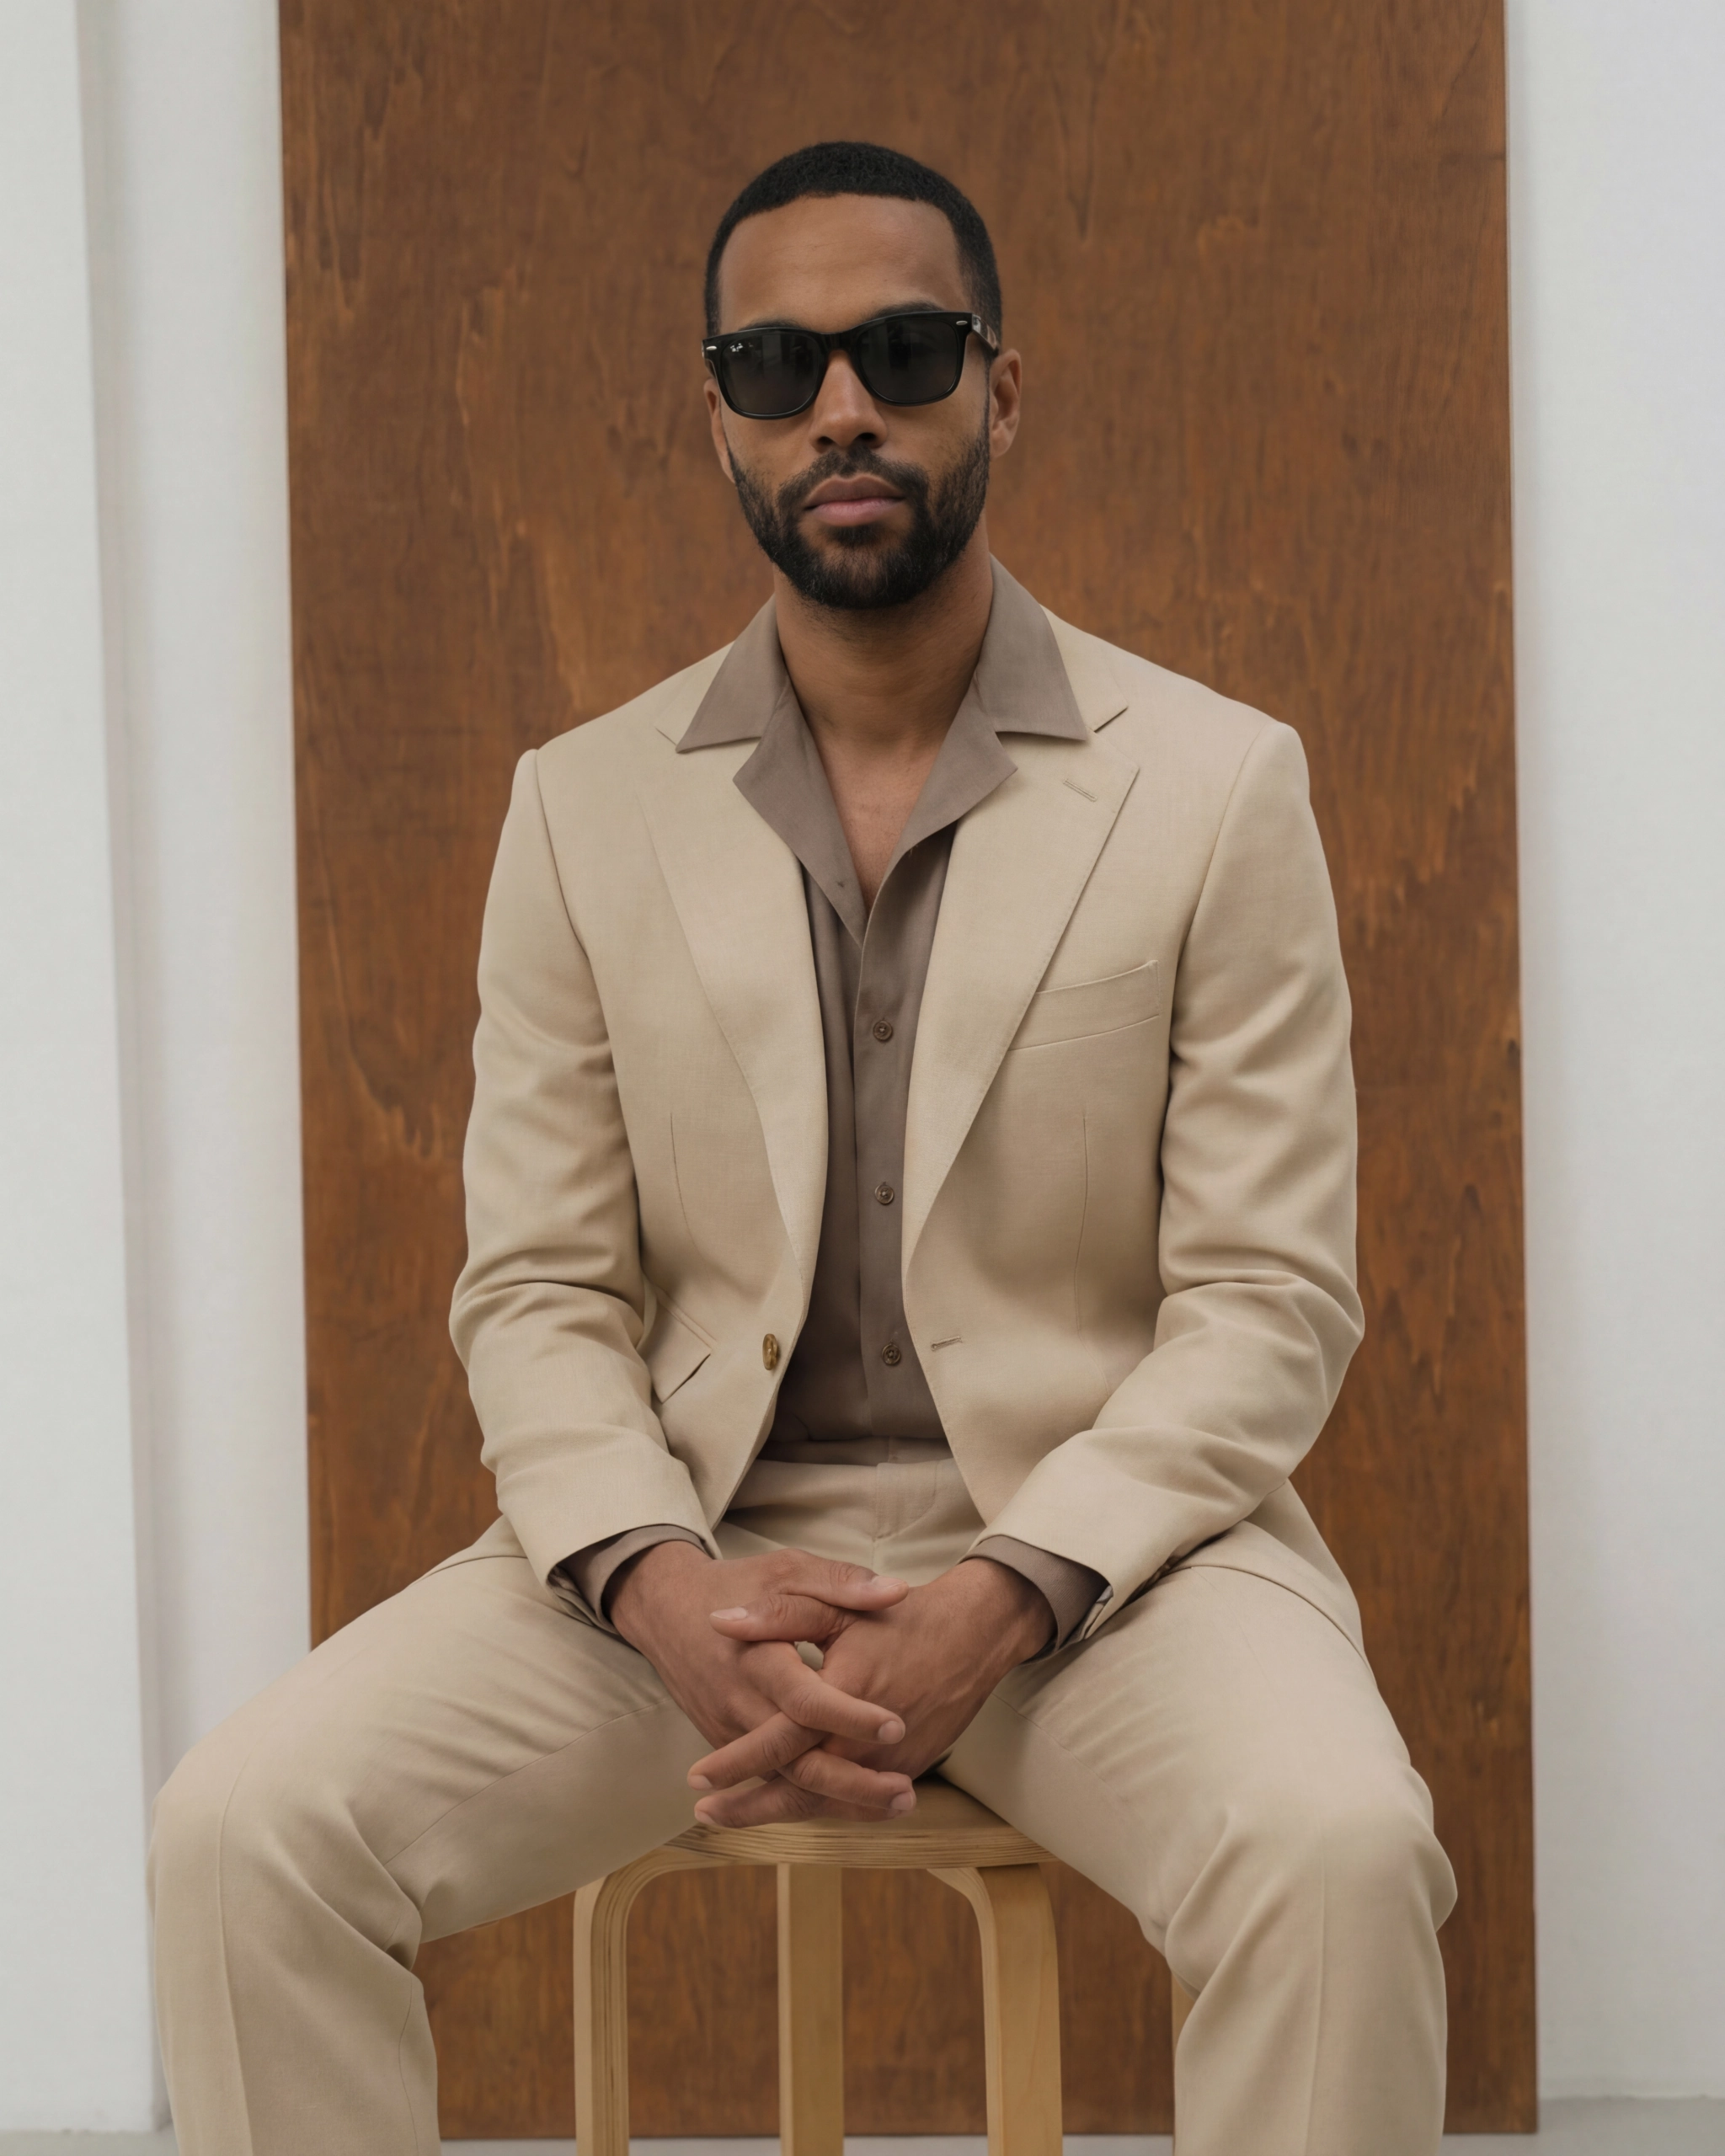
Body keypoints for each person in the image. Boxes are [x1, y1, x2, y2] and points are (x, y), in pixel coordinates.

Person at [149, 140, 1455, 2155]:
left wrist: (1006, 1589)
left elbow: (1266, 1299)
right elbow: (540, 1287)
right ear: (721, 421)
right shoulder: (583, 807)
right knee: (242, 1833)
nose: (839, 406)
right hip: (693, 1552)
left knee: (1343, 1850)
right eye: (774, 366)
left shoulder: (1213, 786)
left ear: (997, 386)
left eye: (901, 351)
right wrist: (658, 1584)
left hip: (1103, 1565)